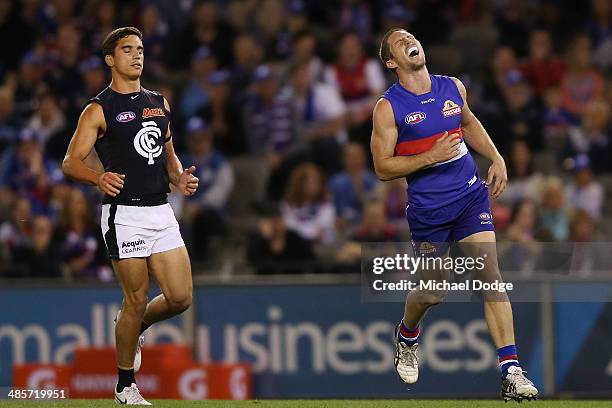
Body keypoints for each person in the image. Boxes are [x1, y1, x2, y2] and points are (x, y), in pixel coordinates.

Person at [370, 29, 538, 401]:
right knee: (433, 291)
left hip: (469, 197)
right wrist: (429, 156)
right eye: (399, 42)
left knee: (490, 277)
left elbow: (468, 123)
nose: (409, 41)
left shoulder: (452, 87)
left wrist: (496, 157)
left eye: (411, 36)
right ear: (391, 62)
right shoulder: (388, 107)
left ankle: (511, 370)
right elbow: (382, 167)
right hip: (429, 210)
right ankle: (407, 335)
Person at [61, 27, 199, 405]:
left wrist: (180, 177)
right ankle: (125, 385)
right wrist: (97, 176)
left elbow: (167, 156)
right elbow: (70, 162)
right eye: (127, 50)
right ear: (110, 59)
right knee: (135, 297)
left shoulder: (159, 102)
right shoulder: (98, 108)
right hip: (124, 215)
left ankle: (137, 326)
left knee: (181, 298)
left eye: (140, 49)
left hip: (161, 211)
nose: (137, 56)